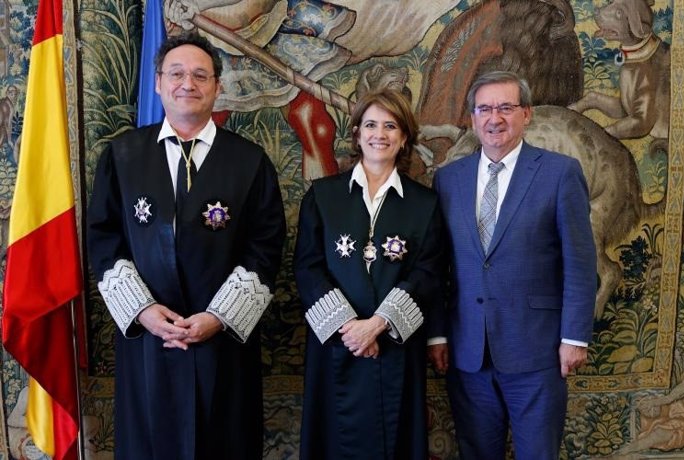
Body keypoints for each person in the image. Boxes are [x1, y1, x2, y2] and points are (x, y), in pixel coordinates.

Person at [86, 31, 286, 460]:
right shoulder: (121, 157)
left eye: (200, 75)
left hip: (222, 344)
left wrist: (218, 316)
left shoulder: (250, 162)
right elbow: (104, 240)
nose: (187, 84)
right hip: (148, 343)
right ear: (158, 82)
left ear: (217, 86)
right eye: (176, 73)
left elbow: (266, 247)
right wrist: (142, 310)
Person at [429, 70, 597, 459]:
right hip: (468, 354)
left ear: (527, 114)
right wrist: (437, 335)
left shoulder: (560, 173)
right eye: (485, 108)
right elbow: (437, 268)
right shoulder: (449, 179)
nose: (495, 118)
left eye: (506, 107)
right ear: (472, 118)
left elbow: (580, 261)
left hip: (537, 352)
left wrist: (575, 337)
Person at [294, 89, 446, 459]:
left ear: (404, 137)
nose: (380, 134)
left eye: (391, 126)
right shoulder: (322, 196)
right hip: (335, 345)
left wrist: (377, 325)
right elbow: (307, 266)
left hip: (393, 346)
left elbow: (428, 273)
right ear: (357, 133)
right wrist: (351, 329)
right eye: (371, 124)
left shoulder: (425, 204)